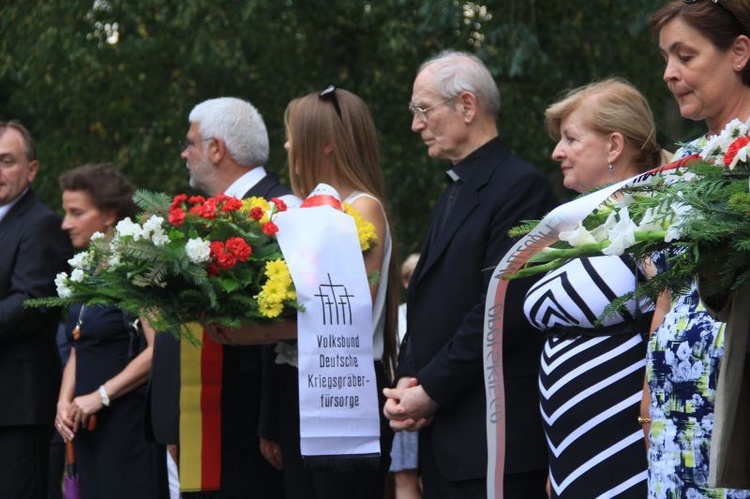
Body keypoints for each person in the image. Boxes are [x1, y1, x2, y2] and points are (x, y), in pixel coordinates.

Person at [382, 50, 557, 498]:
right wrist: (409, 376)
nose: (416, 125)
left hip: (491, 435)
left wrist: (431, 389)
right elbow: (427, 299)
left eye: (423, 110)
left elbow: (501, 308)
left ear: (466, 105)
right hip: (447, 435)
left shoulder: (521, 187)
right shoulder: (455, 190)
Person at [251, 86, 398, 499]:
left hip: (344, 386)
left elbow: (345, 310)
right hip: (298, 381)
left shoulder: (361, 207)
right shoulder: (299, 207)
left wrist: (253, 331)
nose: (286, 144)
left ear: (327, 143)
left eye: (293, 134)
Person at [523, 78, 666, 498]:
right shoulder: (571, 226)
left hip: (625, 446)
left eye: (570, 138)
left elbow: (667, 316)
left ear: (614, 146)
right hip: (571, 452)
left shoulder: (654, 214)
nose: (557, 152)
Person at [158, 96, 293, 499]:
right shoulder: (205, 216)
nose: (185, 154)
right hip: (205, 428)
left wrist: (271, 423)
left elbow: (285, 325)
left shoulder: (281, 211)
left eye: (192, 143)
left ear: (217, 149)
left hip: (248, 431)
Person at [645, 1, 750, 496]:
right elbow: (666, 292)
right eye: (666, 59)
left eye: (685, 56)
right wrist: (649, 391)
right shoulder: (683, 159)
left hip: (737, 399)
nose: (670, 73)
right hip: (676, 404)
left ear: (739, 53)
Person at [54, 163, 164, 498]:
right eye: (65, 212)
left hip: (127, 426)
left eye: (76, 212)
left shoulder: (139, 267)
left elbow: (158, 349)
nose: (65, 223)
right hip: (86, 426)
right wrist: (64, 400)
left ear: (108, 215)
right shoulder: (87, 269)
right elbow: (79, 342)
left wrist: (101, 396)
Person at [0, 121, 73, 499]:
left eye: (6, 161)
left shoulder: (41, 223)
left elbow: (30, 302)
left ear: (31, 169)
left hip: (16, 407)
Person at [389, 253, 422, 499]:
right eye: (411, 276)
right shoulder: (397, 316)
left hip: (436, 397)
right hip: (403, 400)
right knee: (405, 474)